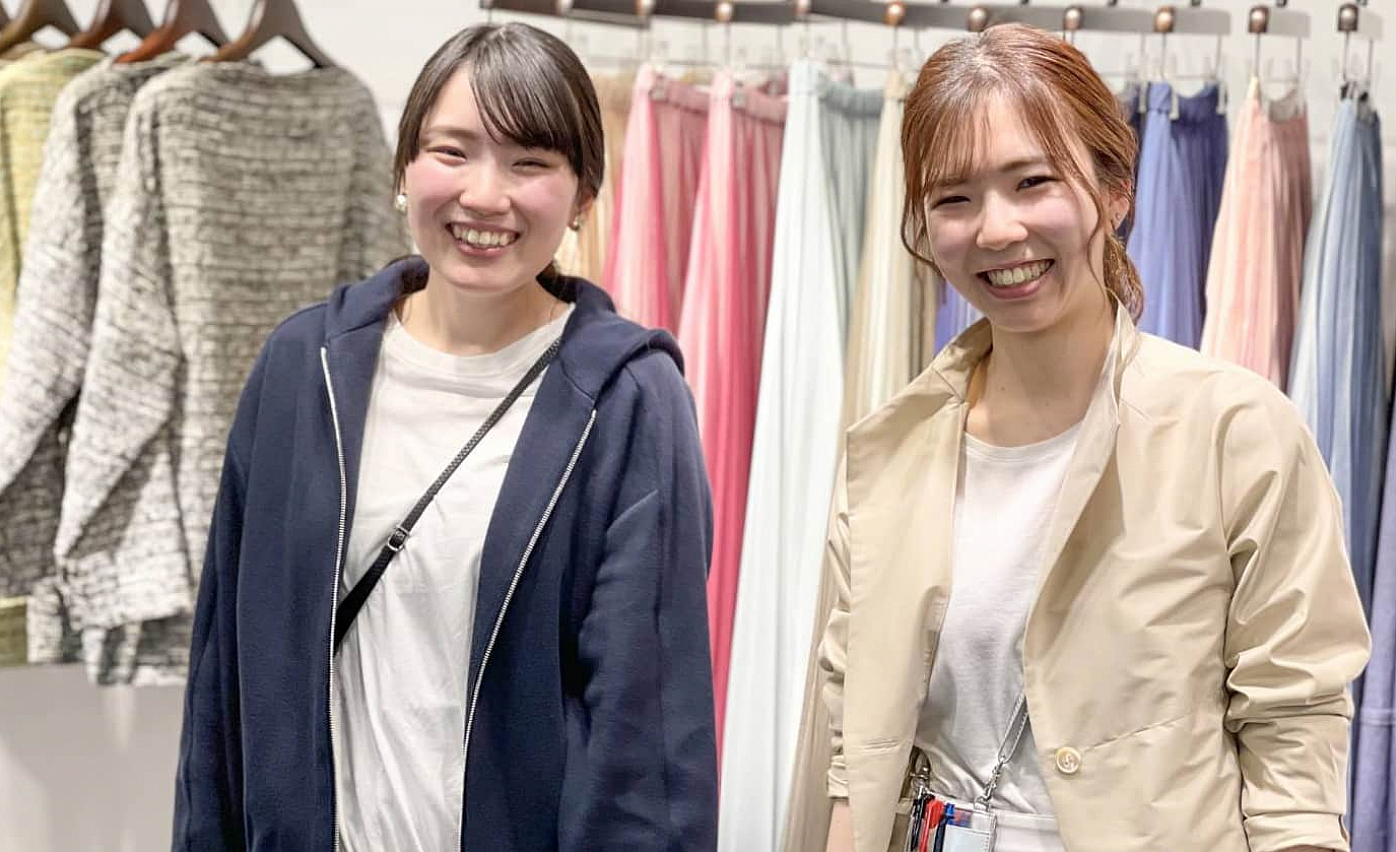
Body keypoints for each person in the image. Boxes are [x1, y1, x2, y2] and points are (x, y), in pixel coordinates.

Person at [803, 23, 1370, 852]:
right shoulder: (891, 451)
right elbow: (858, 748)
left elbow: (1295, 739)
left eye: (1032, 182)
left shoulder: (1235, 434)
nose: (996, 230)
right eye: (954, 199)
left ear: (1115, 191)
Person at [171, 23, 717, 852]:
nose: (485, 196)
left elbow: (645, 740)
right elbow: (222, 684)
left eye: (529, 162)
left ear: (583, 196)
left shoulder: (628, 399)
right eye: (453, 151)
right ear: (405, 168)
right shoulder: (302, 368)